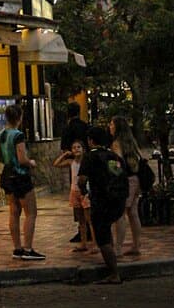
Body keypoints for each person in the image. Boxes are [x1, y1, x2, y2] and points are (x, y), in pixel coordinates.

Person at [77, 124, 129, 284]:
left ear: (90, 141)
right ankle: (111, 264)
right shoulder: (113, 156)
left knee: (102, 238)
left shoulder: (90, 157)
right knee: (106, 232)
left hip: (101, 200)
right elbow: (118, 175)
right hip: (117, 200)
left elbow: (82, 180)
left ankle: (114, 273)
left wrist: (84, 192)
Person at [0, 103, 45, 261]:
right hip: (20, 175)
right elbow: (22, 159)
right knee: (31, 212)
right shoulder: (18, 135)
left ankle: (17, 248)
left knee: (14, 211)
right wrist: (31, 162)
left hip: (7, 174)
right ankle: (28, 249)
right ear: (19, 118)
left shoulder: (1, 134)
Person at [109, 114, 143, 257]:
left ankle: (118, 247)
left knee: (120, 214)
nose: (109, 126)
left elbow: (118, 164)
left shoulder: (117, 143)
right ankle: (136, 245)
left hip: (126, 180)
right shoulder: (131, 141)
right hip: (136, 178)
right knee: (133, 213)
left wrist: (110, 167)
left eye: (111, 124)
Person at [53, 139, 94, 253]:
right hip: (74, 191)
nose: (76, 149)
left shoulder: (87, 161)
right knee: (80, 220)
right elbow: (56, 164)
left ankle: (95, 245)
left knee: (89, 219)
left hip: (84, 191)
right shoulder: (71, 162)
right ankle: (83, 243)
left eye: (78, 147)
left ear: (83, 149)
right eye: (74, 147)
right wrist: (65, 154)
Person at [60, 103, 90, 240]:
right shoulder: (86, 126)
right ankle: (89, 227)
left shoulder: (67, 129)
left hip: (74, 164)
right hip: (87, 163)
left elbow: (64, 150)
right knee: (87, 195)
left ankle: (81, 229)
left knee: (77, 195)